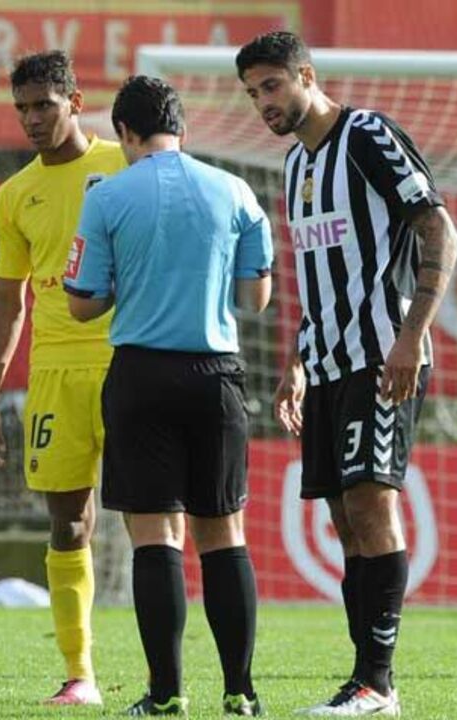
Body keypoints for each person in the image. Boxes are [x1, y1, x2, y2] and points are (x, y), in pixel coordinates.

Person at [237, 31, 457, 716]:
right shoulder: (294, 167)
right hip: (328, 362)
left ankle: (376, 682)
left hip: (381, 356)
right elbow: (317, 280)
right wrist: (298, 363)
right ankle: (366, 681)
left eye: (272, 86)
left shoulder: (365, 135)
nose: (262, 103)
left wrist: (410, 336)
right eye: (252, 94)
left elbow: (439, 231)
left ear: (305, 74)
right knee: (342, 516)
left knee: (371, 505)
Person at [64, 75, 273, 717]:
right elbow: (255, 299)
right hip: (216, 376)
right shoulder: (235, 190)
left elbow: (81, 305)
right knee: (224, 532)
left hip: (141, 377)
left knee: (155, 535)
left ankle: (165, 692)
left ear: (125, 133)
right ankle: (240, 691)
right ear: (181, 129)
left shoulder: (106, 196)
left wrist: (132, 282)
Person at [0, 50, 126, 706]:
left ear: (76, 101)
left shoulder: (124, 164)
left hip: (130, 359)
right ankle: (79, 674)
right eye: (22, 109)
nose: (32, 119)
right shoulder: (14, 194)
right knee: (67, 522)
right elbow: (8, 302)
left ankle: (166, 675)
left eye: (44, 105)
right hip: (56, 371)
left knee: (156, 519)